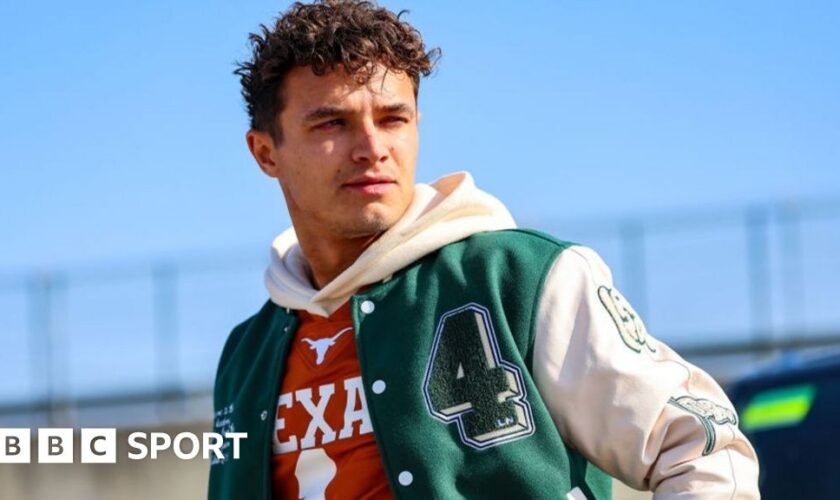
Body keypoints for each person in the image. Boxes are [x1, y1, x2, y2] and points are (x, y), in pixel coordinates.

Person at [208, 1, 760, 498]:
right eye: (333, 122)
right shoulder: (245, 355)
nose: (372, 149)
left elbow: (703, 451)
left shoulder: (524, 277)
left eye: (393, 118)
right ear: (265, 153)